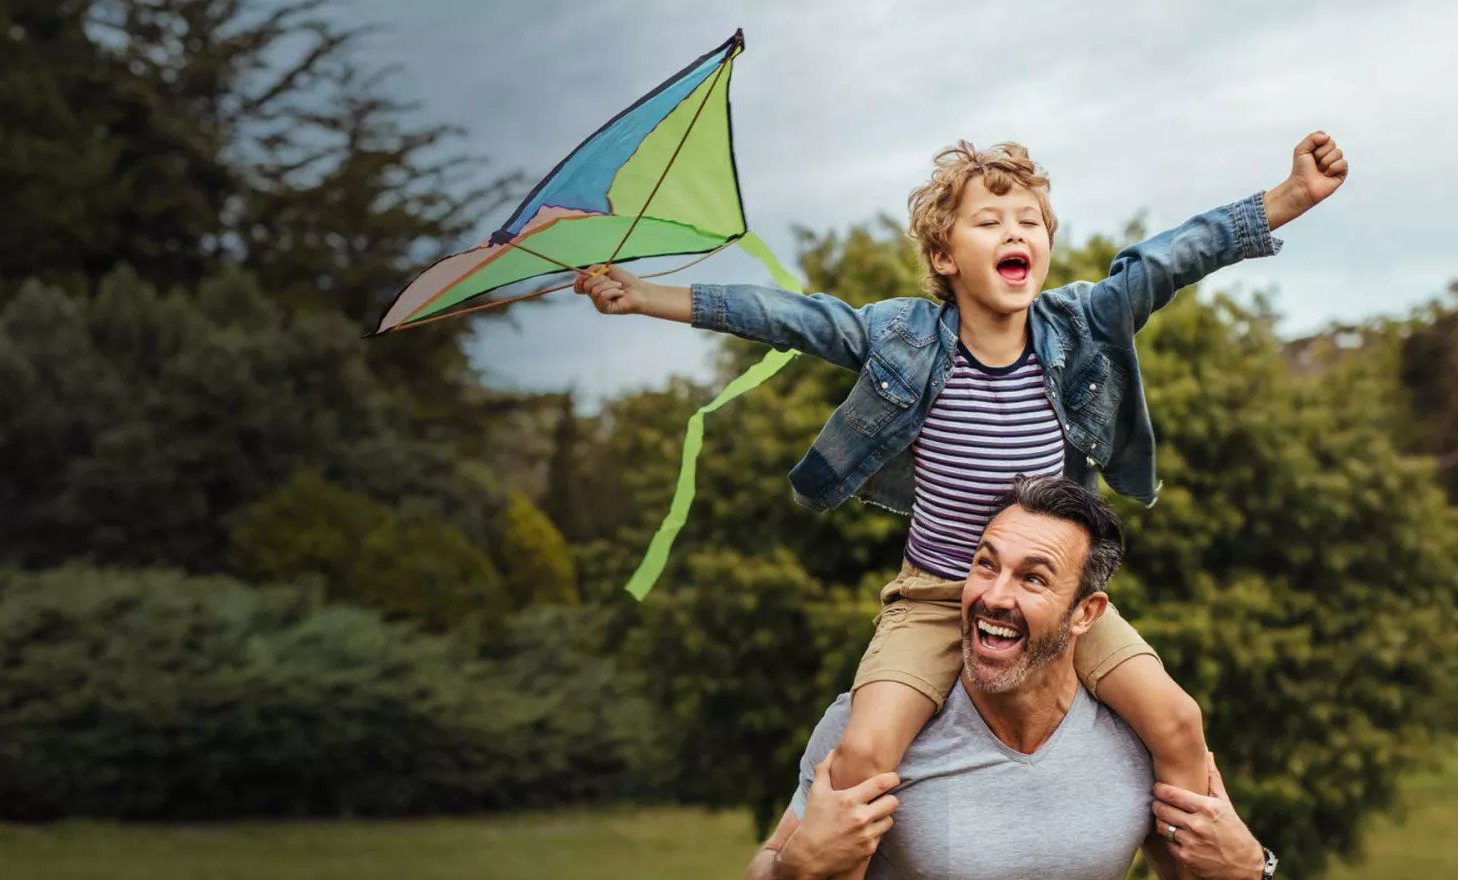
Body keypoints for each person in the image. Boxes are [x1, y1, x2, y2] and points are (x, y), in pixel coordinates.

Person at [576, 132, 1346, 878]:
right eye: (990, 221)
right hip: (935, 596)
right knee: (864, 754)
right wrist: (647, 297)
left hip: (1055, 596)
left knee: (1178, 721)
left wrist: (1289, 198)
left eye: (1031, 223)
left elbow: (1171, 258)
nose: (1017, 233)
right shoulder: (903, 338)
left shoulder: (1081, 324)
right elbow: (791, 318)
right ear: (945, 256)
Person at [743, 475, 1276, 879]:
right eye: (985, 565)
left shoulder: (1138, 735)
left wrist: (1254, 866)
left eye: (1033, 578)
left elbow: (1206, 867)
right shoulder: (874, 725)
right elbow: (771, 861)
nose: (995, 597)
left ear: (1086, 613)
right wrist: (793, 866)